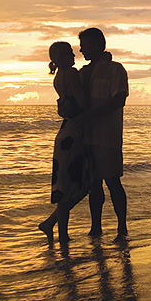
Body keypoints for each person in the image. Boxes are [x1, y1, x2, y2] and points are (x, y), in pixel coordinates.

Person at [77, 27, 129, 243]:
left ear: (98, 45)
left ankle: (122, 228)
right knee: (93, 185)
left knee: (113, 182)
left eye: (85, 45)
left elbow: (119, 100)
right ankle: (95, 227)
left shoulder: (116, 70)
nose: (81, 50)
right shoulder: (82, 73)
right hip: (85, 137)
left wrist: (91, 115)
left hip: (107, 136)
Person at [38, 41, 91, 244]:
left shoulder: (59, 77)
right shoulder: (71, 73)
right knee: (80, 185)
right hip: (75, 132)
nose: (74, 55)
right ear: (58, 58)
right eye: (69, 53)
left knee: (65, 185)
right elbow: (82, 102)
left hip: (65, 130)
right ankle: (56, 228)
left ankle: (58, 230)